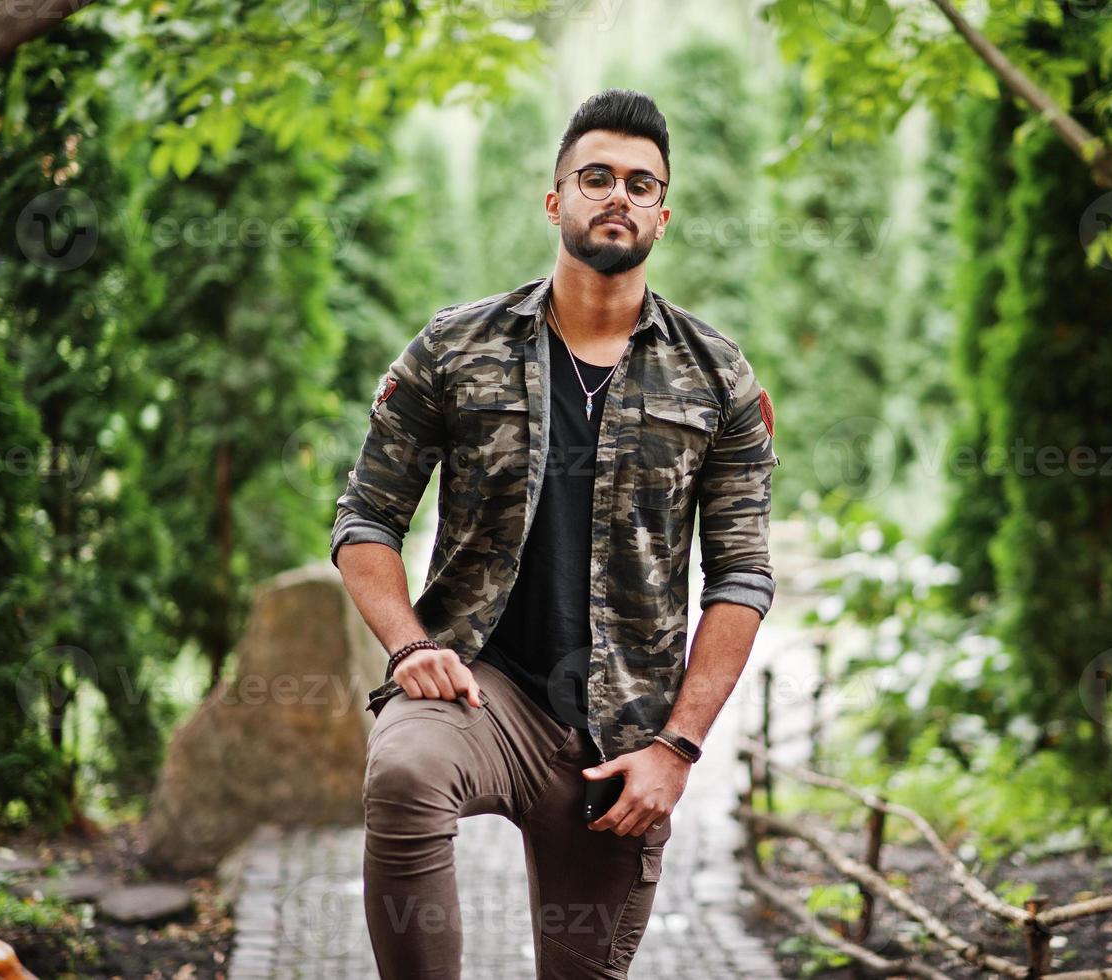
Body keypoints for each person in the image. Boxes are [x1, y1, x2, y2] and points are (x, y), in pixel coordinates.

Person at [331, 87, 780, 979]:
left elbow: (740, 577)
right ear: (555, 200)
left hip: (622, 741)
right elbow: (366, 517)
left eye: (641, 185)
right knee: (406, 770)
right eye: (597, 177)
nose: (618, 196)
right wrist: (410, 645)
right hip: (477, 688)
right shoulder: (456, 348)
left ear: (662, 214)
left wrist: (676, 750)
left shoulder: (716, 375)